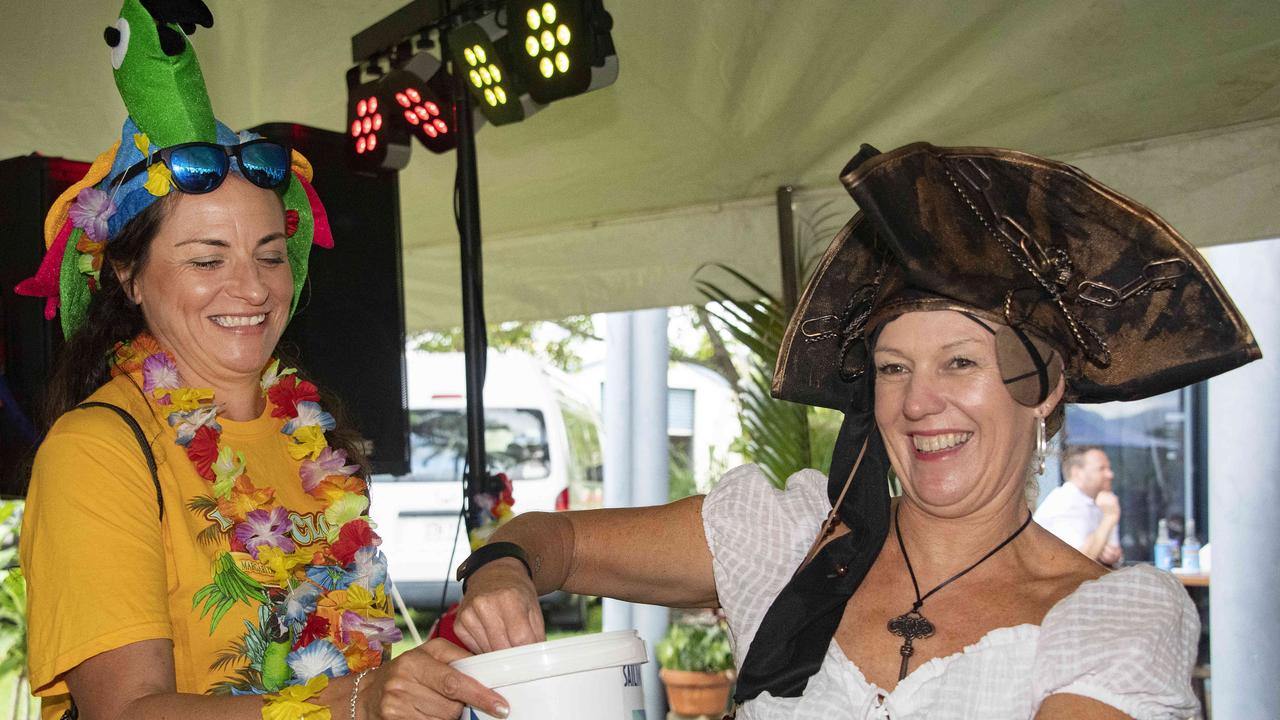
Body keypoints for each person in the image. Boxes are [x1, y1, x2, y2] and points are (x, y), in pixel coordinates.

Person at [453, 142, 1259, 718]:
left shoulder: (1112, 617)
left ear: (1042, 388)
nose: (917, 403)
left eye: (959, 364)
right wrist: (501, 574)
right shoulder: (793, 537)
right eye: (893, 367)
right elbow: (545, 538)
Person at [16, 3, 507, 719]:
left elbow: (345, 663)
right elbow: (127, 712)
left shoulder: (314, 429)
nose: (251, 288)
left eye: (269, 254)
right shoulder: (95, 452)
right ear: (127, 275)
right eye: (206, 258)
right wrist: (360, 702)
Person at [1034, 446, 1123, 565]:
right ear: (1077, 472)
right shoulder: (1064, 501)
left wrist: (1114, 555)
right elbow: (1079, 561)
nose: (1110, 474)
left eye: (1109, 468)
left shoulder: (1104, 500)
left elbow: (1113, 551)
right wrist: (1109, 518)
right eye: (1101, 469)